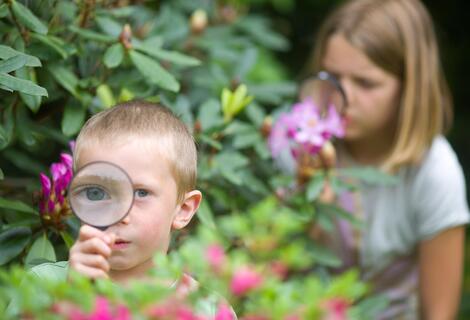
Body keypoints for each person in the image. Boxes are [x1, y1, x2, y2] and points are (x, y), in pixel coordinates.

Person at [302, 0, 469, 319]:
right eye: (332, 76)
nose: (343, 99)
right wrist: (307, 212)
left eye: (366, 83)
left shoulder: (434, 172)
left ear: (410, 87)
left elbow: (439, 313)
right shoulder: (300, 143)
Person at [7, 101, 232, 317]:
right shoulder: (43, 286)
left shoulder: (207, 310)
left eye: (141, 193)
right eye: (96, 193)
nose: (118, 215)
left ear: (182, 209)